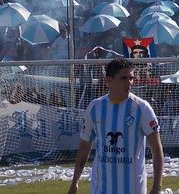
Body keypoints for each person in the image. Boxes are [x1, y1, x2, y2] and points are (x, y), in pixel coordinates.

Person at [68, 58, 163, 194]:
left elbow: (157, 149)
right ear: (109, 80)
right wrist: (74, 182)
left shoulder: (142, 108)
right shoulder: (95, 107)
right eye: (123, 78)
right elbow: (84, 146)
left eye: (131, 78)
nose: (129, 83)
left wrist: (157, 187)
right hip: (100, 189)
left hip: (133, 189)